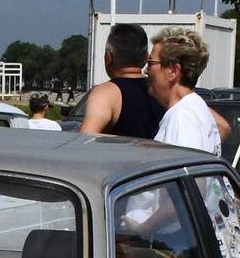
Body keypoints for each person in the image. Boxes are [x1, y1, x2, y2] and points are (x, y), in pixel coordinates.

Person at [79, 23, 163, 139]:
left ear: (108, 57)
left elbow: (83, 140)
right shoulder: (162, 91)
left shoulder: (106, 93)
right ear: (145, 58)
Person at [147, 28, 220, 157]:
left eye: (150, 63)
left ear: (173, 71)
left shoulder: (182, 117)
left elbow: (187, 173)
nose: (146, 71)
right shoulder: (197, 107)